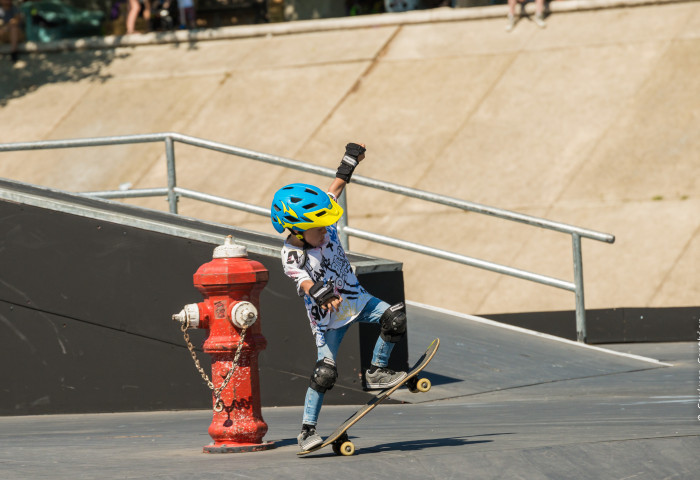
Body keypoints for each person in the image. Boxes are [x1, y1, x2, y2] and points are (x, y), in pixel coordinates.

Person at [270, 143, 408, 451]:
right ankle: (307, 431)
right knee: (325, 373)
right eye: (317, 229)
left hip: (356, 300)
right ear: (296, 228)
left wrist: (350, 160)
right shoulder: (290, 252)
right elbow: (302, 280)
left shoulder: (321, 217)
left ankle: (377, 370)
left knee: (394, 319)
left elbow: (335, 188)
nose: (326, 230)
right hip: (327, 320)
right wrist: (319, 293)